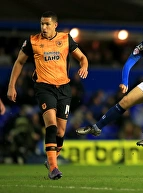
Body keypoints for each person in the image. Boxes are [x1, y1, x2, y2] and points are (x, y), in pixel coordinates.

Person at [7, 11, 88, 180]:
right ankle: (53, 168)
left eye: (47, 24)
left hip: (64, 89)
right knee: (51, 125)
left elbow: (82, 57)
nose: (43, 27)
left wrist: (84, 66)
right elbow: (19, 62)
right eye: (42, 24)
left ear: (55, 25)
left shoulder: (66, 39)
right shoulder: (33, 41)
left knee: (60, 131)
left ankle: (51, 160)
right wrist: (11, 85)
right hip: (44, 88)